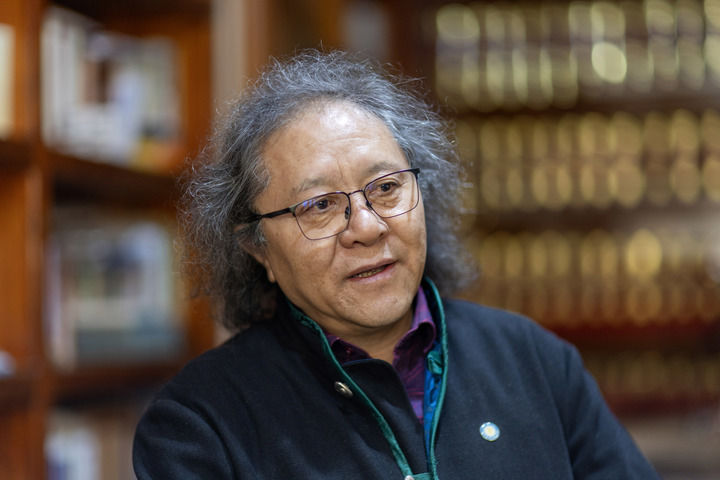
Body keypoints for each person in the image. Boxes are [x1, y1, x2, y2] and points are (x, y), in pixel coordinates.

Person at [133, 50, 659, 479]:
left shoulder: (536, 362)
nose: (366, 227)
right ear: (257, 248)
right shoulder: (199, 423)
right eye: (320, 205)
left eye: (386, 188)